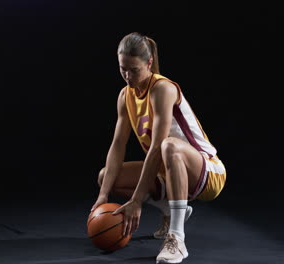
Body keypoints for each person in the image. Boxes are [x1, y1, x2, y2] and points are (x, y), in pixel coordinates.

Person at [90, 32, 227, 264]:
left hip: (207, 172)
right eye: (123, 68)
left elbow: (156, 148)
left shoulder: (162, 88)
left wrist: (136, 200)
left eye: (134, 70)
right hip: (168, 171)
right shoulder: (125, 96)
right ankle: (171, 209)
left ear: (149, 63)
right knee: (106, 177)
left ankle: (177, 238)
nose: (127, 76)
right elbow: (118, 145)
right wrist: (103, 195)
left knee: (169, 145)